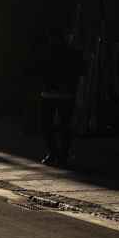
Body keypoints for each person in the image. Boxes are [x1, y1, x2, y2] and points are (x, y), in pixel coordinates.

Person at [38, 28, 82, 165]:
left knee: (48, 125)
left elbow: (40, 69)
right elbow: (79, 70)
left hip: (50, 93)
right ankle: (62, 154)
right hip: (65, 94)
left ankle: (54, 153)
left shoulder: (47, 51)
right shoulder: (70, 52)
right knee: (64, 126)